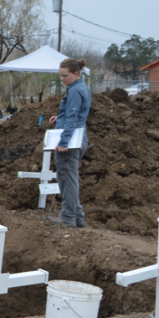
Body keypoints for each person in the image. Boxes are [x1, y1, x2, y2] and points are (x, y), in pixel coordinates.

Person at [47, 58, 91, 228]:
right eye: (60, 76)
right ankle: (77, 216)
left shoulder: (74, 91)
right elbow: (76, 114)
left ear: (75, 73)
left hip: (71, 142)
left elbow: (73, 118)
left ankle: (68, 217)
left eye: (65, 76)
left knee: (67, 179)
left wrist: (64, 142)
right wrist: (60, 117)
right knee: (69, 178)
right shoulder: (81, 88)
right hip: (79, 138)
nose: (62, 79)